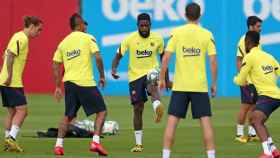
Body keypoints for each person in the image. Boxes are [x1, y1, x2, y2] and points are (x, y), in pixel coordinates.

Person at [159, 3, 217, 158]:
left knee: (172, 122)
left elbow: (166, 58)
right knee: (205, 123)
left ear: (185, 15)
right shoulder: (207, 34)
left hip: (180, 86)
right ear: (200, 15)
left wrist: (162, 79)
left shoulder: (176, 32)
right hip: (199, 86)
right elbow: (213, 62)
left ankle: (166, 156)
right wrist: (214, 84)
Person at [52, 13, 108, 156]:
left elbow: (55, 65)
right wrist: (102, 76)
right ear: (80, 24)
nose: (86, 26)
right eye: (85, 24)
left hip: (69, 83)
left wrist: (58, 86)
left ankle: (58, 145)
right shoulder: (88, 38)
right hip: (85, 82)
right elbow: (98, 57)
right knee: (102, 112)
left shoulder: (63, 43)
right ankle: (95, 142)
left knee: (68, 115)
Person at [111, 13, 166, 152]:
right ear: (137, 26)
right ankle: (138, 144)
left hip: (151, 71)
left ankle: (157, 108)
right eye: (141, 25)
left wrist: (166, 78)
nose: (144, 28)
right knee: (137, 108)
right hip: (134, 77)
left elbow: (163, 58)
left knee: (152, 86)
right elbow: (118, 55)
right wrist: (113, 68)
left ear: (150, 25)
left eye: (146, 25)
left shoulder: (158, 39)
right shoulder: (129, 39)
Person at [234, 31, 280, 158]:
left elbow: (241, 80)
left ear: (247, 43)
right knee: (255, 120)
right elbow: (278, 70)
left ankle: (267, 153)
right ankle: (274, 150)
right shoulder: (269, 56)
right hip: (276, 95)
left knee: (255, 119)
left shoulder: (249, 57)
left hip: (267, 96)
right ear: (258, 42)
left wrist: (235, 79)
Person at [0, 16, 43, 152]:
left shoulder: (17, 37)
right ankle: (11, 138)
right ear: (31, 26)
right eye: (38, 29)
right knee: (22, 110)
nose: (39, 33)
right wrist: (10, 75)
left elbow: (5, 55)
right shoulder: (22, 38)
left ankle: (8, 143)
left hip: (7, 80)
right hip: (11, 81)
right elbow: (11, 55)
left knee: (12, 112)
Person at [235, 16, 262, 143]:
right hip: (247, 80)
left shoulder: (257, 40)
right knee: (245, 107)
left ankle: (251, 133)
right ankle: (239, 134)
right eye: (258, 26)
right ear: (251, 26)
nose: (260, 29)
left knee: (254, 107)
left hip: (255, 80)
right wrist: (243, 76)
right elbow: (239, 60)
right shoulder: (243, 41)